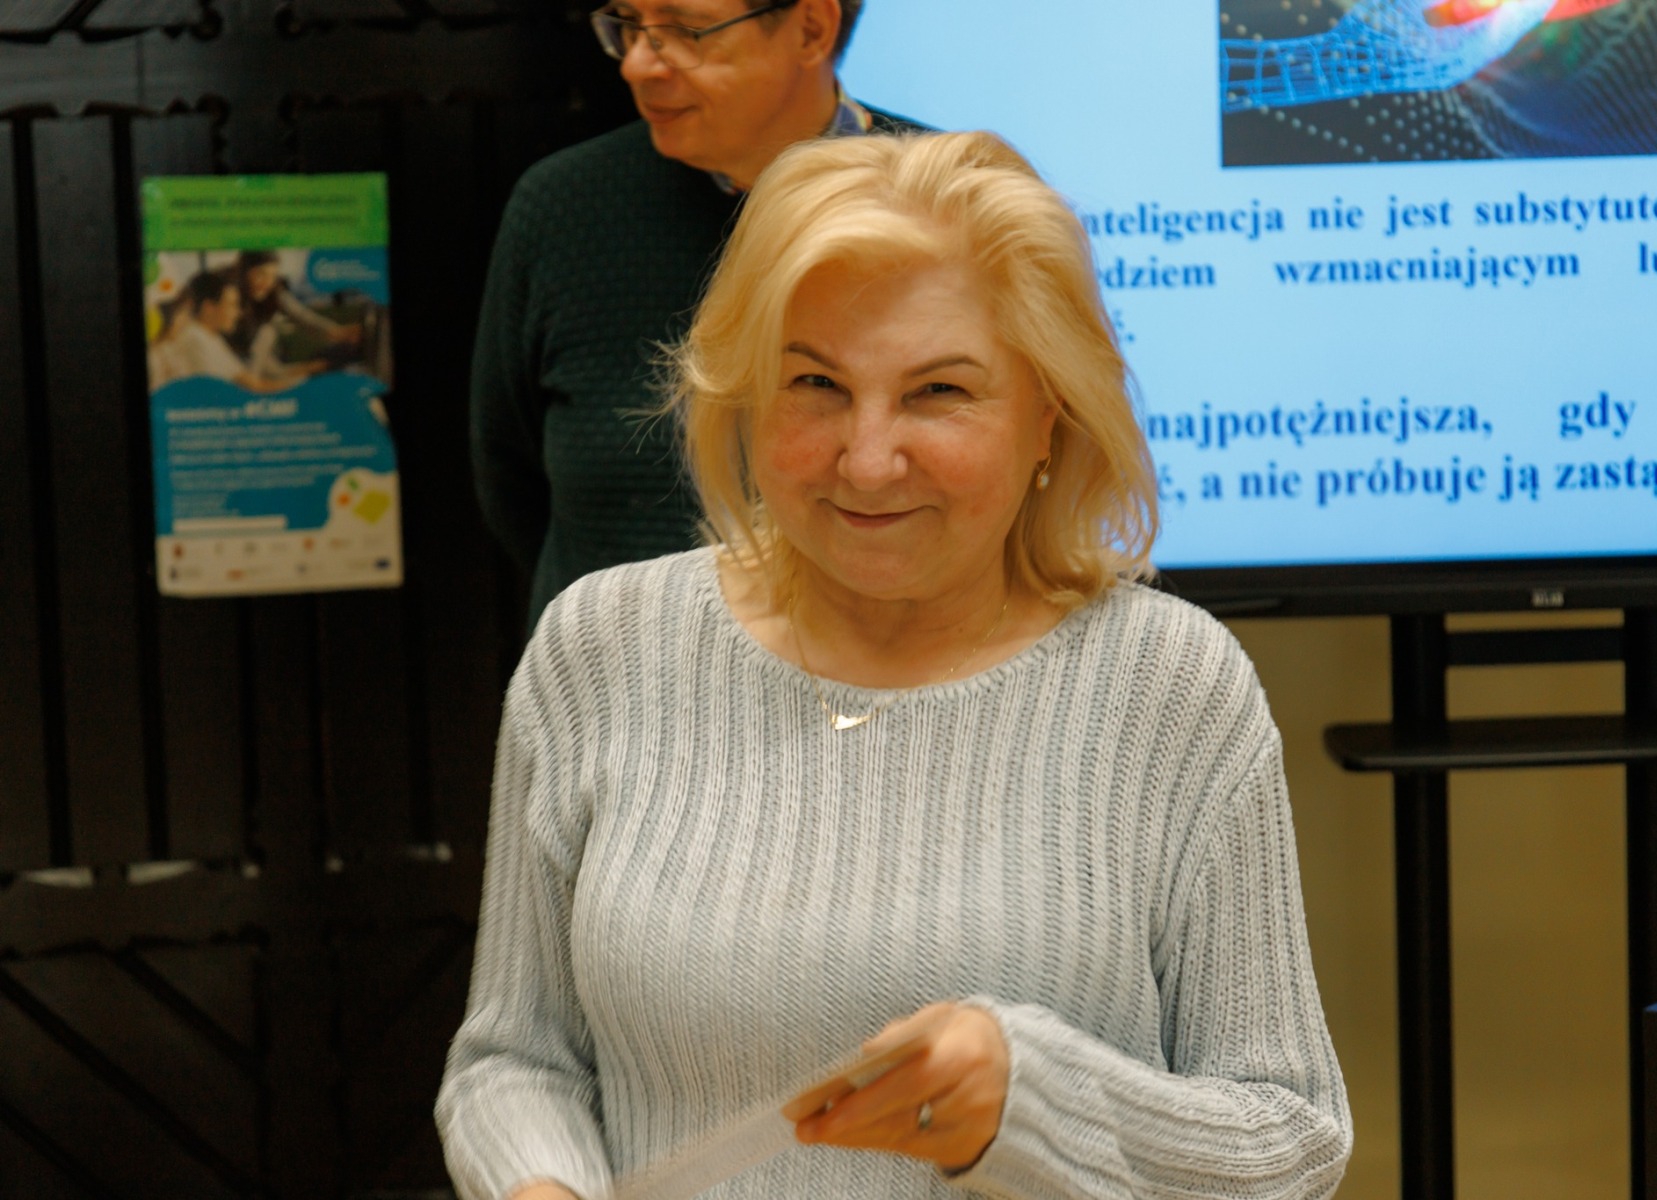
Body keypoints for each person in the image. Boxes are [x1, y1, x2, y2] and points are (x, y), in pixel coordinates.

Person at [437, 132, 1352, 1199]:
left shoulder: (1168, 687)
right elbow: (514, 1062)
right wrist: (541, 1185)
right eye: (816, 384)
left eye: (938, 392)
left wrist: (1032, 1103)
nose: (868, 460)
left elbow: (1290, 1144)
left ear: (1049, 413)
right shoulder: (602, 649)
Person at [469, 0, 924, 631]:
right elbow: (508, 477)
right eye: (630, 23)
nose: (637, 65)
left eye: (686, 30)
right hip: (621, 675)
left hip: (897, 669)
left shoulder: (956, 205)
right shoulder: (560, 208)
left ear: (811, 28)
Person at [151, 270, 318, 394]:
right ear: (209, 308)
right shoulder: (195, 338)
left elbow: (253, 382)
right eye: (232, 305)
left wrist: (308, 379)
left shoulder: (211, 338)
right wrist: (308, 387)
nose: (238, 313)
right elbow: (252, 387)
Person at [231, 250, 361, 380]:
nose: (266, 283)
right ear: (243, 271)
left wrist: (339, 331)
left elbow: (302, 316)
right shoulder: (229, 296)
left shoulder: (274, 293)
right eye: (260, 274)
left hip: (267, 364)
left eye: (272, 276)